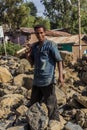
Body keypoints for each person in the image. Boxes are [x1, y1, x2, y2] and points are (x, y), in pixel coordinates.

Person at [26, 24, 64, 120]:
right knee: (33, 103)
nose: (39, 35)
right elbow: (32, 63)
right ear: (35, 34)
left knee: (51, 105)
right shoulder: (35, 47)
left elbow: (59, 60)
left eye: (41, 33)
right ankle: (35, 123)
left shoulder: (51, 45)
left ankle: (55, 123)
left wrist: (61, 77)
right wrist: (28, 56)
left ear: (45, 33)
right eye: (37, 33)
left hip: (48, 80)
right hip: (37, 80)